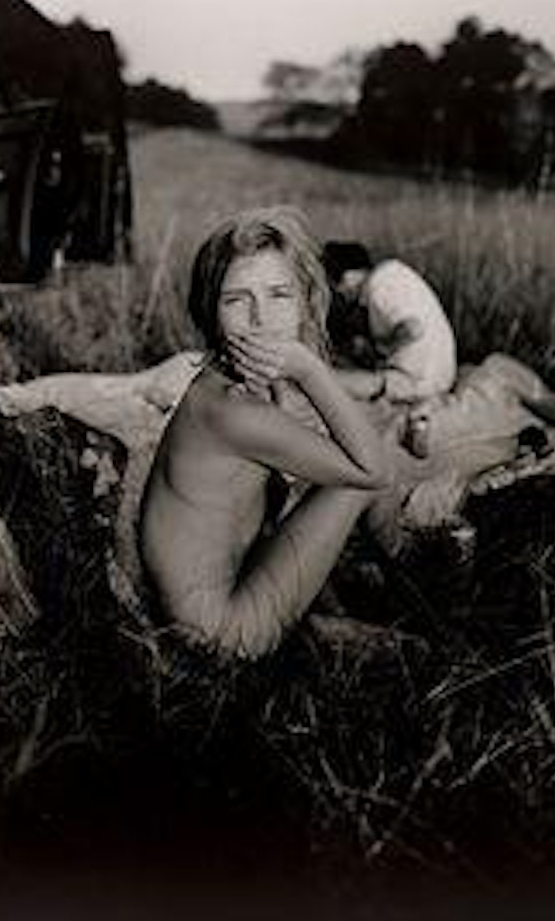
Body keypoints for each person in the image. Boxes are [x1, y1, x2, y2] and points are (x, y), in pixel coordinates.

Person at [138, 207, 393, 660]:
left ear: (305, 300)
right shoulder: (230, 411)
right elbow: (372, 470)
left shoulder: (236, 382)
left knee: (335, 463)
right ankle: (394, 569)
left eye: (279, 295)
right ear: (211, 312)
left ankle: (340, 597)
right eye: (237, 299)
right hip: (224, 637)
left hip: (237, 582)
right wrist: (311, 369)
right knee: (356, 478)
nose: (263, 319)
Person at [322, 242, 458, 405]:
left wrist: (381, 347)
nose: (340, 294)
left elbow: (413, 328)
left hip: (420, 380)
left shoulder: (378, 286)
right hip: (438, 373)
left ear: (347, 276)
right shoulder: (392, 275)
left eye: (336, 286)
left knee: (332, 380)